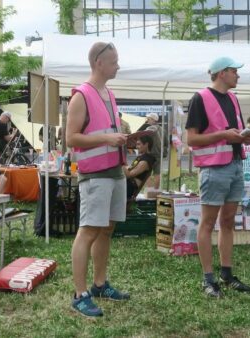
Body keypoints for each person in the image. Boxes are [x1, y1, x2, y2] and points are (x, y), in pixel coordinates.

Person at [66, 41, 129, 318]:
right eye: (114, 61)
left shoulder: (109, 94)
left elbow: (108, 131)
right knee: (89, 230)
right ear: (98, 63)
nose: (118, 65)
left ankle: (100, 284)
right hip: (94, 175)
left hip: (115, 171)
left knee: (106, 229)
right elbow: (71, 139)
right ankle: (80, 295)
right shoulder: (81, 95)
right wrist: (107, 138)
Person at [186, 56, 250, 298]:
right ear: (221, 73)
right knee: (207, 223)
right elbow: (191, 139)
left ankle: (226, 274)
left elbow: (230, 133)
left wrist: (242, 137)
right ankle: (208, 279)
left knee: (227, 222)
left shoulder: (233, 99)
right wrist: (224, 135)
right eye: (235, 71)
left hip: (235, 165)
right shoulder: (200, 98)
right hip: (214, 168)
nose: (238, 75)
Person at [123, 135, 156, 200]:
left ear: (146, 144)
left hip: (130, 187)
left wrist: (121, 162)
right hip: (127, 184)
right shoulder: (141, 157)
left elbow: (129, 175)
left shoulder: (146, 161)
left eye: (139, 144)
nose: (136, 147)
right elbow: (129, 168)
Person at [144, 112, 162, 189]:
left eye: (149, 119)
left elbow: (144, 139)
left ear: (153, 120)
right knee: (157, 173)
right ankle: (156, 190)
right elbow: (166, 142)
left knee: (146, 173)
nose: (147, 120)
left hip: (150, 154)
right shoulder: (162, 129)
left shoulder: (150, 128)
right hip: (159, 154)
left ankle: (149, 190)